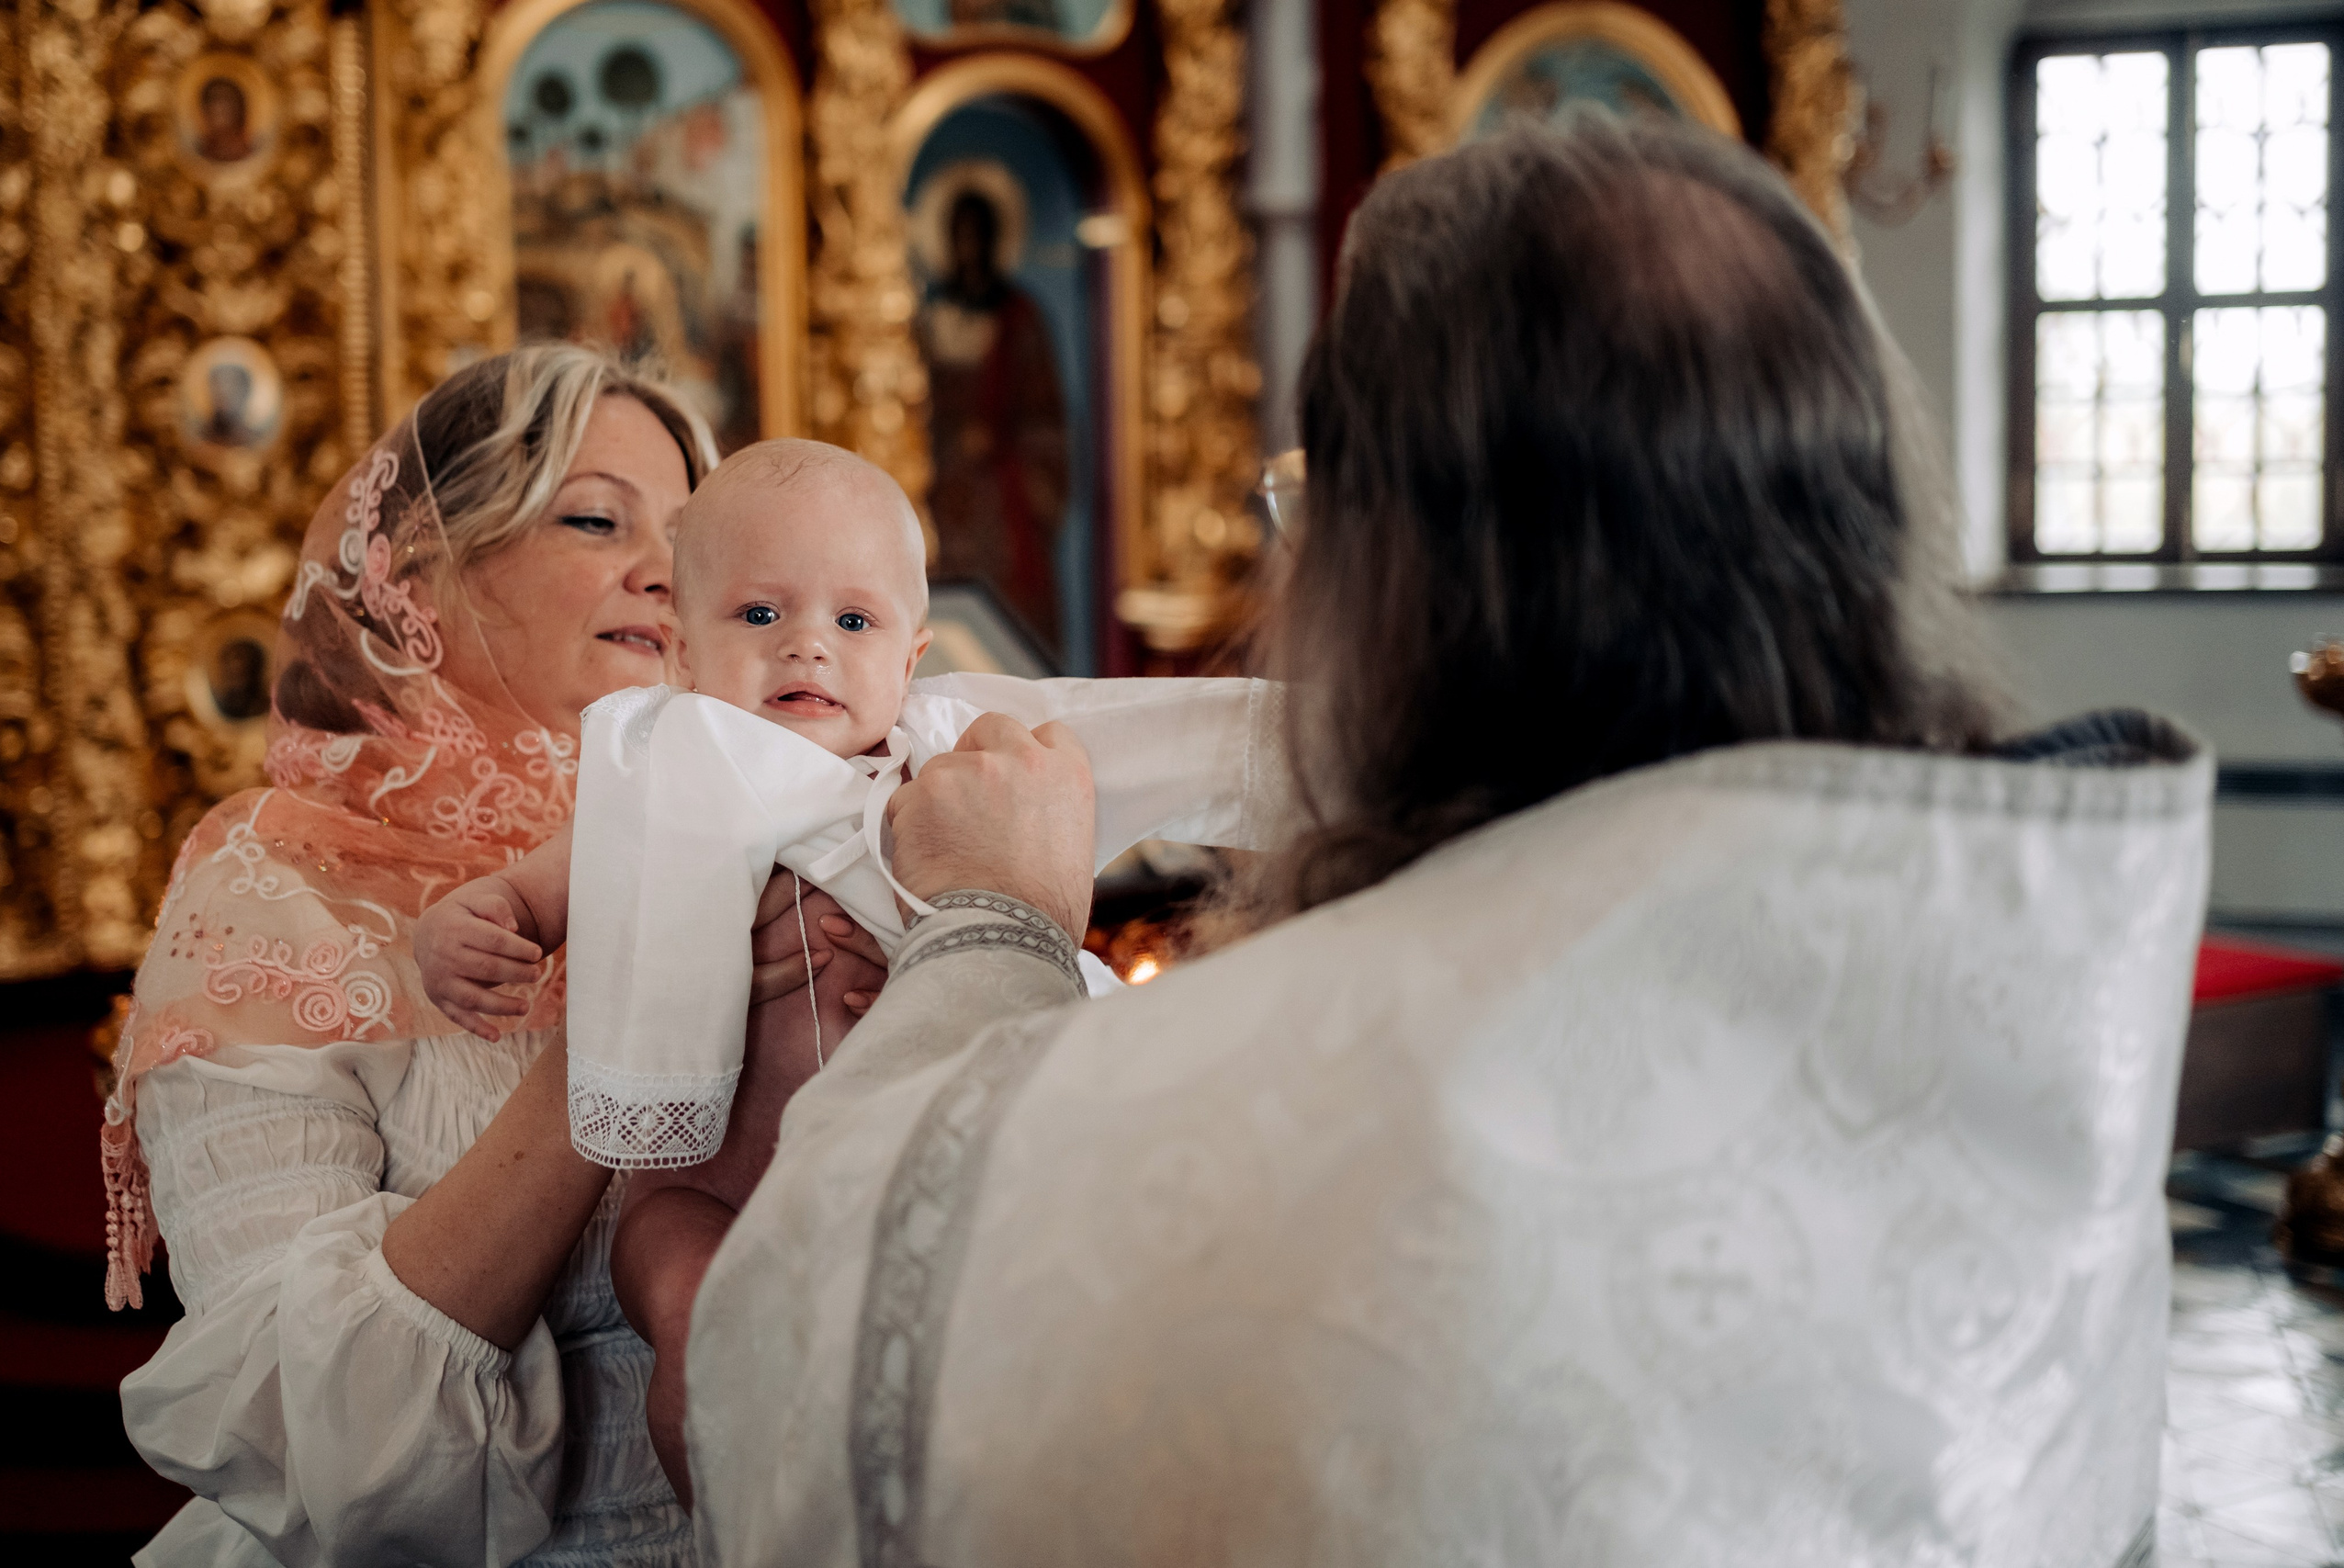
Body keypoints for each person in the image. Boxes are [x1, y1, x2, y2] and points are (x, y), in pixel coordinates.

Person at [682, 118, 2213, 1564]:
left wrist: (986, 933)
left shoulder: (1334, 1078)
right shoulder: (2034, 1031)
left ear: (1399, 583)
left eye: (1308, 518)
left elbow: (802, 1388)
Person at [105, 345, 890, 1567]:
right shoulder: (272, 888)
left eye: (689, 537)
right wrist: (622, 1030)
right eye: (594, 517)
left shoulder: (784, 823)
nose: (662, 568)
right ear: (418, 569)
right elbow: (306, 1446)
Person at [413, 437, 1279, 1504]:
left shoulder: (948, 755)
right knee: (686, 1305)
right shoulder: (664, 773)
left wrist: (1293, 751)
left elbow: (1155, 742)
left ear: (911, 658)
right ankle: (734, 1524)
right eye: (760, 616)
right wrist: (468, 926)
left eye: (852, 623)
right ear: (680, 653)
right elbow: (536, 892)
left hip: (911, 1165)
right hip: (711, 1185)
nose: (808, 651)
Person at [920, 187, 1070, 654]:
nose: (968, 247)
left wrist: (1001, 443)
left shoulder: (1020, 319)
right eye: (958, 236)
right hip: (943, 490)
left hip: (1006, 500)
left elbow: (1047, 415)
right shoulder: (929, 317)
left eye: (976, 236)